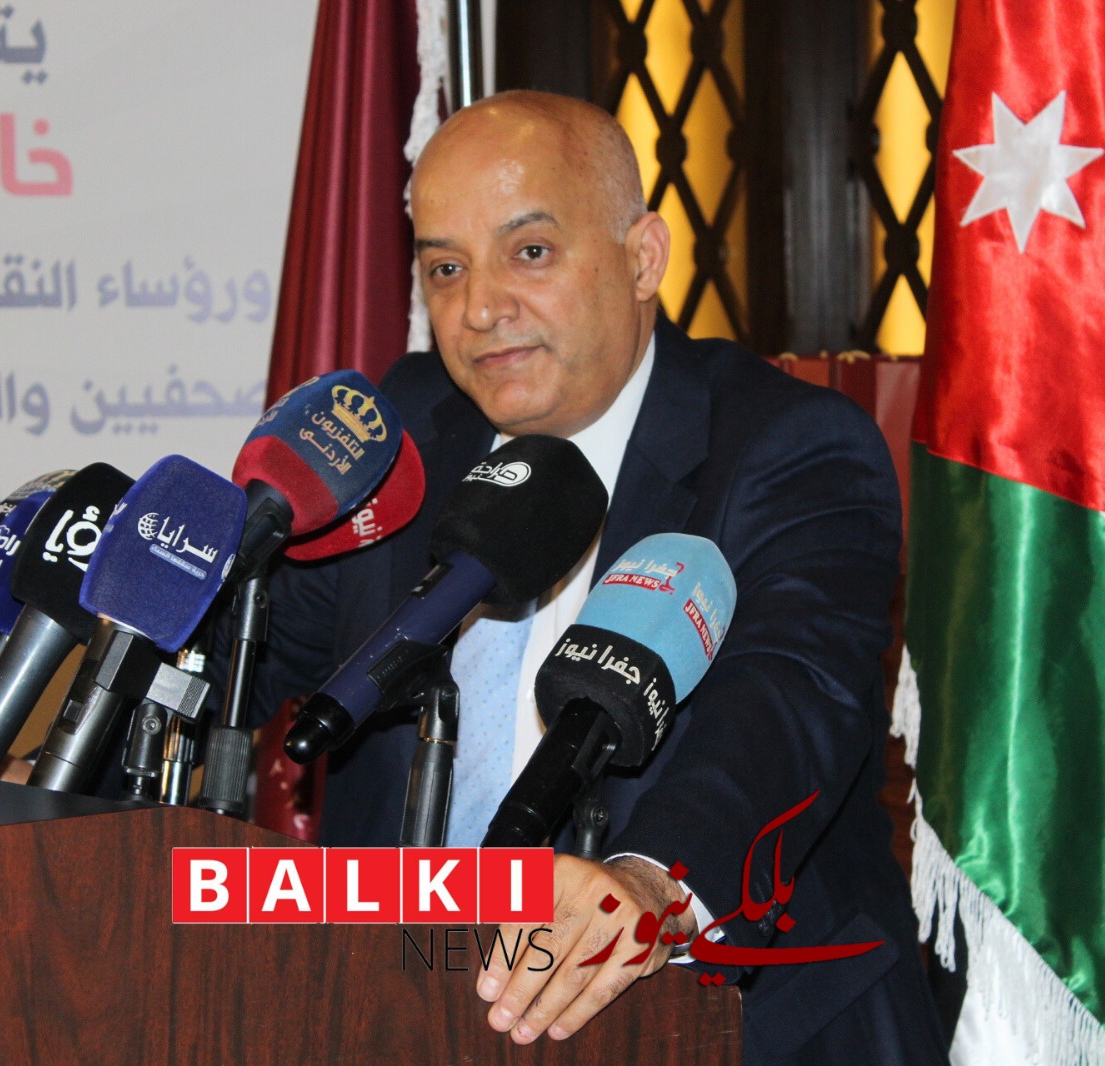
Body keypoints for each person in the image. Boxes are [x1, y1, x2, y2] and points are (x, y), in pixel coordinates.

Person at [248, 90, 946, 1065]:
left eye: (529, 252)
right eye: (445, 267)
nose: (479, 308)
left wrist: (649, 882)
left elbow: (789, 701)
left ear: (642, 257)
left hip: (726, 1028)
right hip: (399, 1014)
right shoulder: (400, 430)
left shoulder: (787, 447)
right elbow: (263, 645)